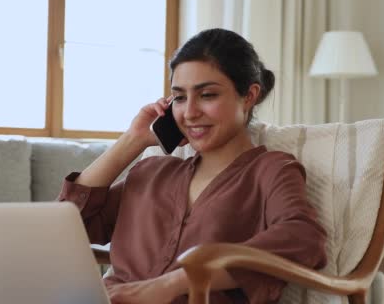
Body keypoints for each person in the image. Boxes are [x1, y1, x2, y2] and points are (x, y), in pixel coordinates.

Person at [58, 28, 327, 304]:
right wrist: (132, 140)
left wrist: (174, 283)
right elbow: (67, 227)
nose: (189, 112)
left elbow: (304, 239)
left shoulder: (271, 170)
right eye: (180, 97)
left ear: (249, 96)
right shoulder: (151, 172)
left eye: (207, 95)